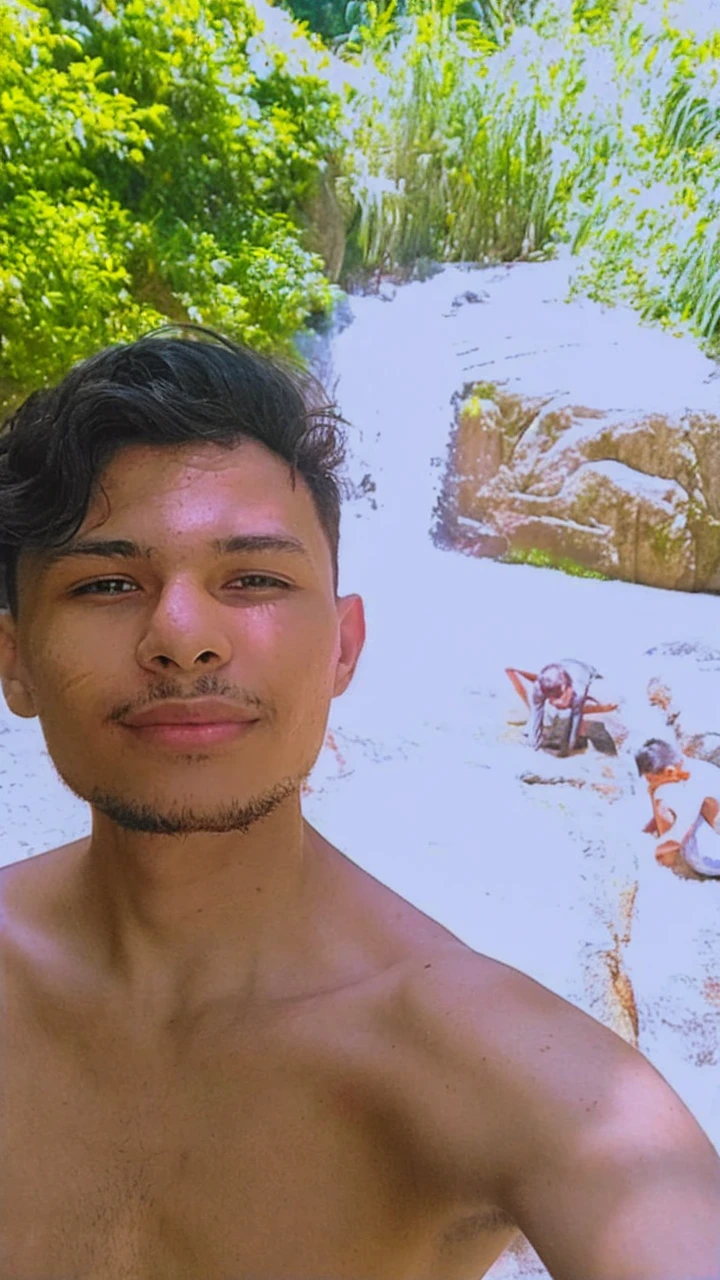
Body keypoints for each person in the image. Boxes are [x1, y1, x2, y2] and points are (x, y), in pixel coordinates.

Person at [0, 326, 719, 1280]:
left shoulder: (507, 1066)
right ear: (15, 661)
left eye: (252, 578)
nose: (182, 636)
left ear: (344, 648)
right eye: (106, 582)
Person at [635, 737, 720, 880]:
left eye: (651, 780)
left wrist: (651, 855)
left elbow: (679, 835)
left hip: (712, 859)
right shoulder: (693, 767)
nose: (649, 784)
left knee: (663, 798)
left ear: (669, 771)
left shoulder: (691, 785)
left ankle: (673, 871)